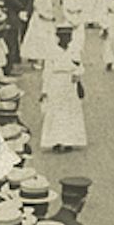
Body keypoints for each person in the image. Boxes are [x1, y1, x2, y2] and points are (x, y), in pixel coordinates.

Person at [39, 23, 88, 151]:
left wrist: (78, 78)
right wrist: (44, 90)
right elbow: (47, 71)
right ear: (58, 37)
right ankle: (55, 140)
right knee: (55, 111)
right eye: (64, 36)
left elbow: (80, 67)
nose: (67, 39)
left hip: (69, 83)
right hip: (55, 83)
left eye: (69, 36)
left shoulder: (74, 51)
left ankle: (68, 140)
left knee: (69, 111)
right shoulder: (52, 51)